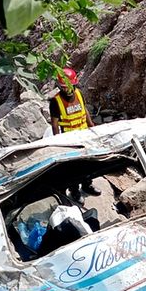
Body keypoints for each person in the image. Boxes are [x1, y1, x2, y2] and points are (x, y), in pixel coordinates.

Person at [49, 67, 98, 203]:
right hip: (69, 139)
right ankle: (74, 191)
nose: (66, 89)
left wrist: (91, 125)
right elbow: (55, 124)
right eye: (63, 87)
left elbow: (85, 110)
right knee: (74, 168)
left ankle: (87, 185)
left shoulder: (79, 94)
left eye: (68, 86)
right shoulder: (55, 102)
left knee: (88, 163)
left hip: (84, 135)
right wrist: (58, 141)